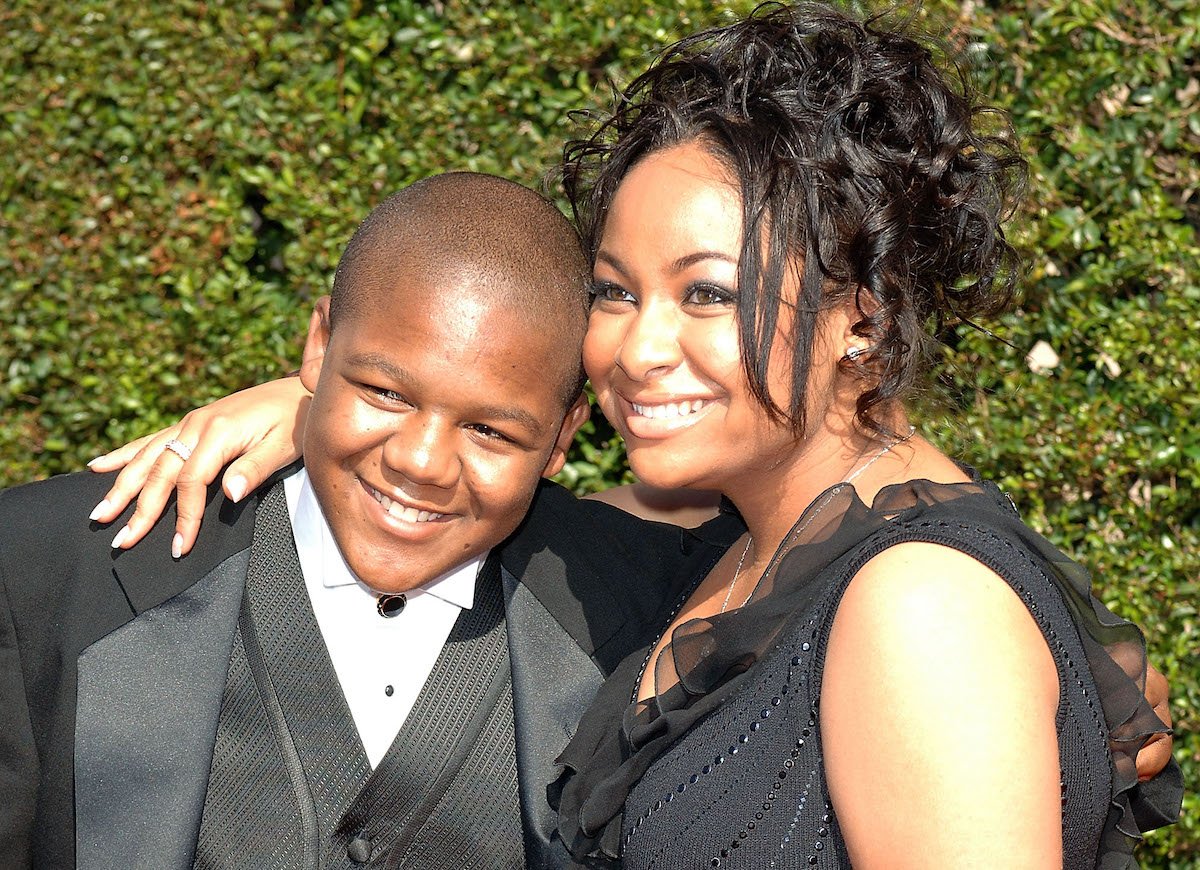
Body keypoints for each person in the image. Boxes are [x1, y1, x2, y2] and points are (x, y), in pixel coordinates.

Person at [88, 4, 1182, 868]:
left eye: (706, 295)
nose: (636, 349)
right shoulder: (740, 546)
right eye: (615, 292)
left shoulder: (920, 607)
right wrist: (331, 414)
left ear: (866, 314)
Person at [0, 172, 735, 869]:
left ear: (563, 435)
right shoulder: (45, 569)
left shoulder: (657, 607)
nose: (420, 461)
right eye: (384, 391)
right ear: (318, 347)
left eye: (491, 432)